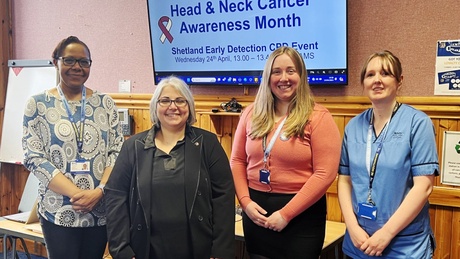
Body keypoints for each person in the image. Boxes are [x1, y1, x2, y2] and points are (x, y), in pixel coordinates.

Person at [105, 76, 235, 259]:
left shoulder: (208, 143)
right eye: (165, 100)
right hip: (145, 250)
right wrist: (122, 251)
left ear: (189, 106)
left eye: (180, 100)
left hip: (198, 249)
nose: (173, 106)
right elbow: (115, 196)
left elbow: (224, 196)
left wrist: (220, 252)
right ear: (155, 107)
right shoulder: (133, 146)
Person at [230, 46, 342, 259]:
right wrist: (245, 202)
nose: (284, 78)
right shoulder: (250, 114)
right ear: (268, 77)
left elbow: (325, 174)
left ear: (301, 75)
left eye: (291, 71)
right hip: (256, 215)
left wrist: (286, 214)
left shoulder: (318, 117)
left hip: (301, 218)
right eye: (276, 71)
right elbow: (237, 160)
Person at [22, 36, 124, 259]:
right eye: (69, 60)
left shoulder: (105, 103)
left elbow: (116, 152)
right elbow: (34, 157)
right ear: (55, 61)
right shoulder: (37, 104)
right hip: (58, 210)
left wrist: (99, 192)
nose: (77, 67)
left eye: (84, 62)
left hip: (99, 209)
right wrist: (78, 195)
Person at [338, 50, 439, 258]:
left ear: (399, 81)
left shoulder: (418, 124)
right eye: (370, 75)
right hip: (359, 241)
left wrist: (386, 233)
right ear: (363, 82)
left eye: (385, 74)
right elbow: (345, 180)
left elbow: (424, 186)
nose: (377, 80)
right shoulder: (353, 127)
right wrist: (352, 227)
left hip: (404, 244)